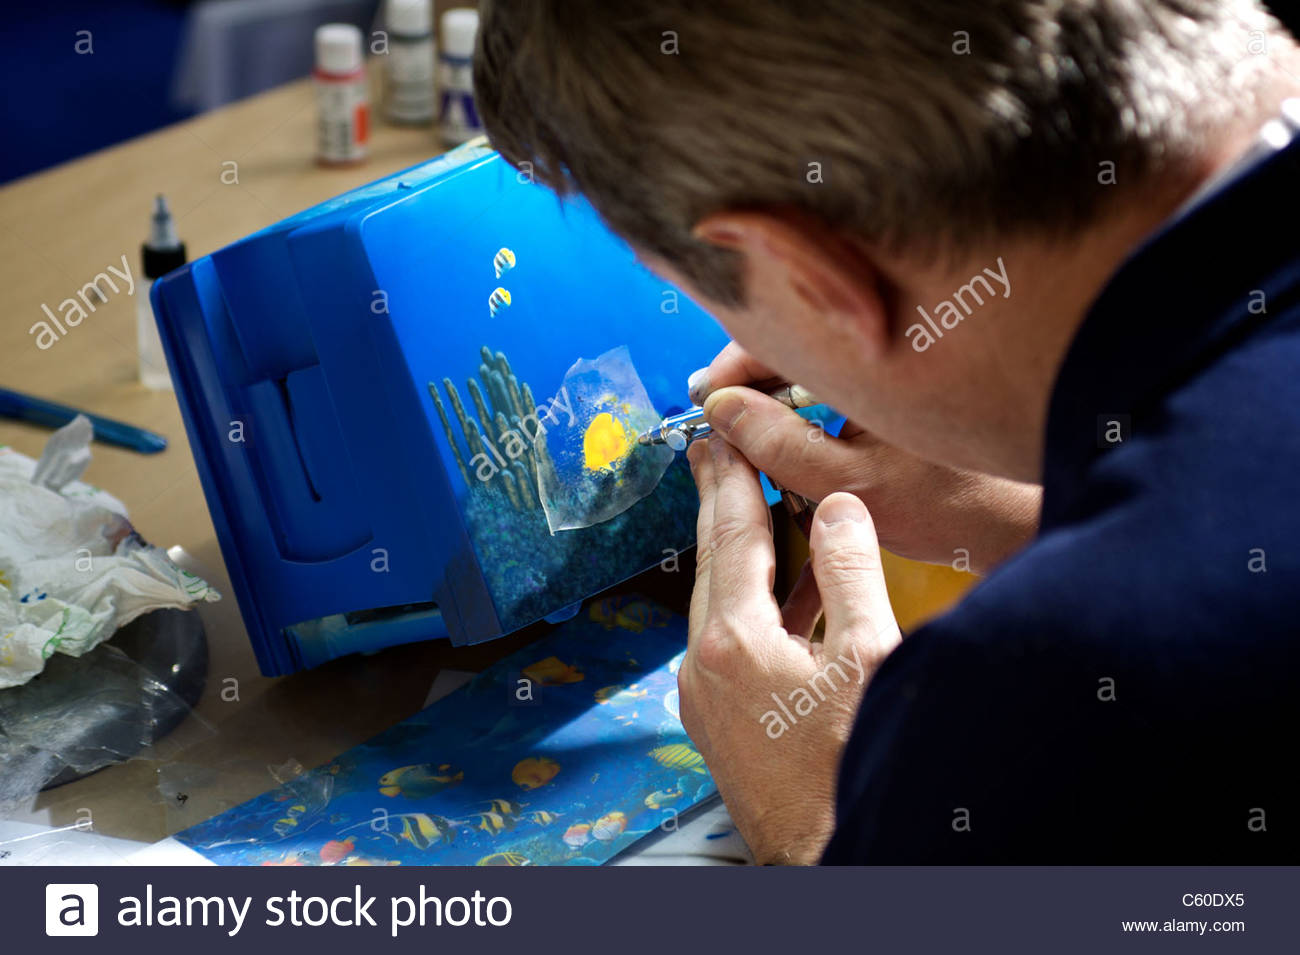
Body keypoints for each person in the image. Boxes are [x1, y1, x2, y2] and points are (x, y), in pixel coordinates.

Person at [474, 0, 1300, 862]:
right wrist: (1055, 516)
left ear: (811, 278)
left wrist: (815, 832)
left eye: (714, 297)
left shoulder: (1034, 701)